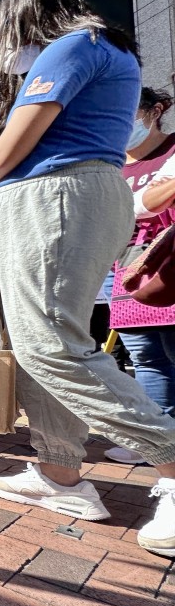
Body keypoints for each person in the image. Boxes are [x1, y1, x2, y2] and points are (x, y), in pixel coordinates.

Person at [0, 0, 175, 557]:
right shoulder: (91, 50)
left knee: (51, 347)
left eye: (1, 39)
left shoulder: (76, 46)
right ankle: (61, 473)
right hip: (57, 200)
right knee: (46, 343)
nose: (3, 56)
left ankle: (167, 459)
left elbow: (8, 153)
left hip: (58, 198)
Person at [103, 88, 175, 464]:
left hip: (168, 262)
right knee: (144, 355)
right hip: (129, 268)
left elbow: (148, 204)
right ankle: (158, 441)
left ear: (157, 110)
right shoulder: (114, 165)